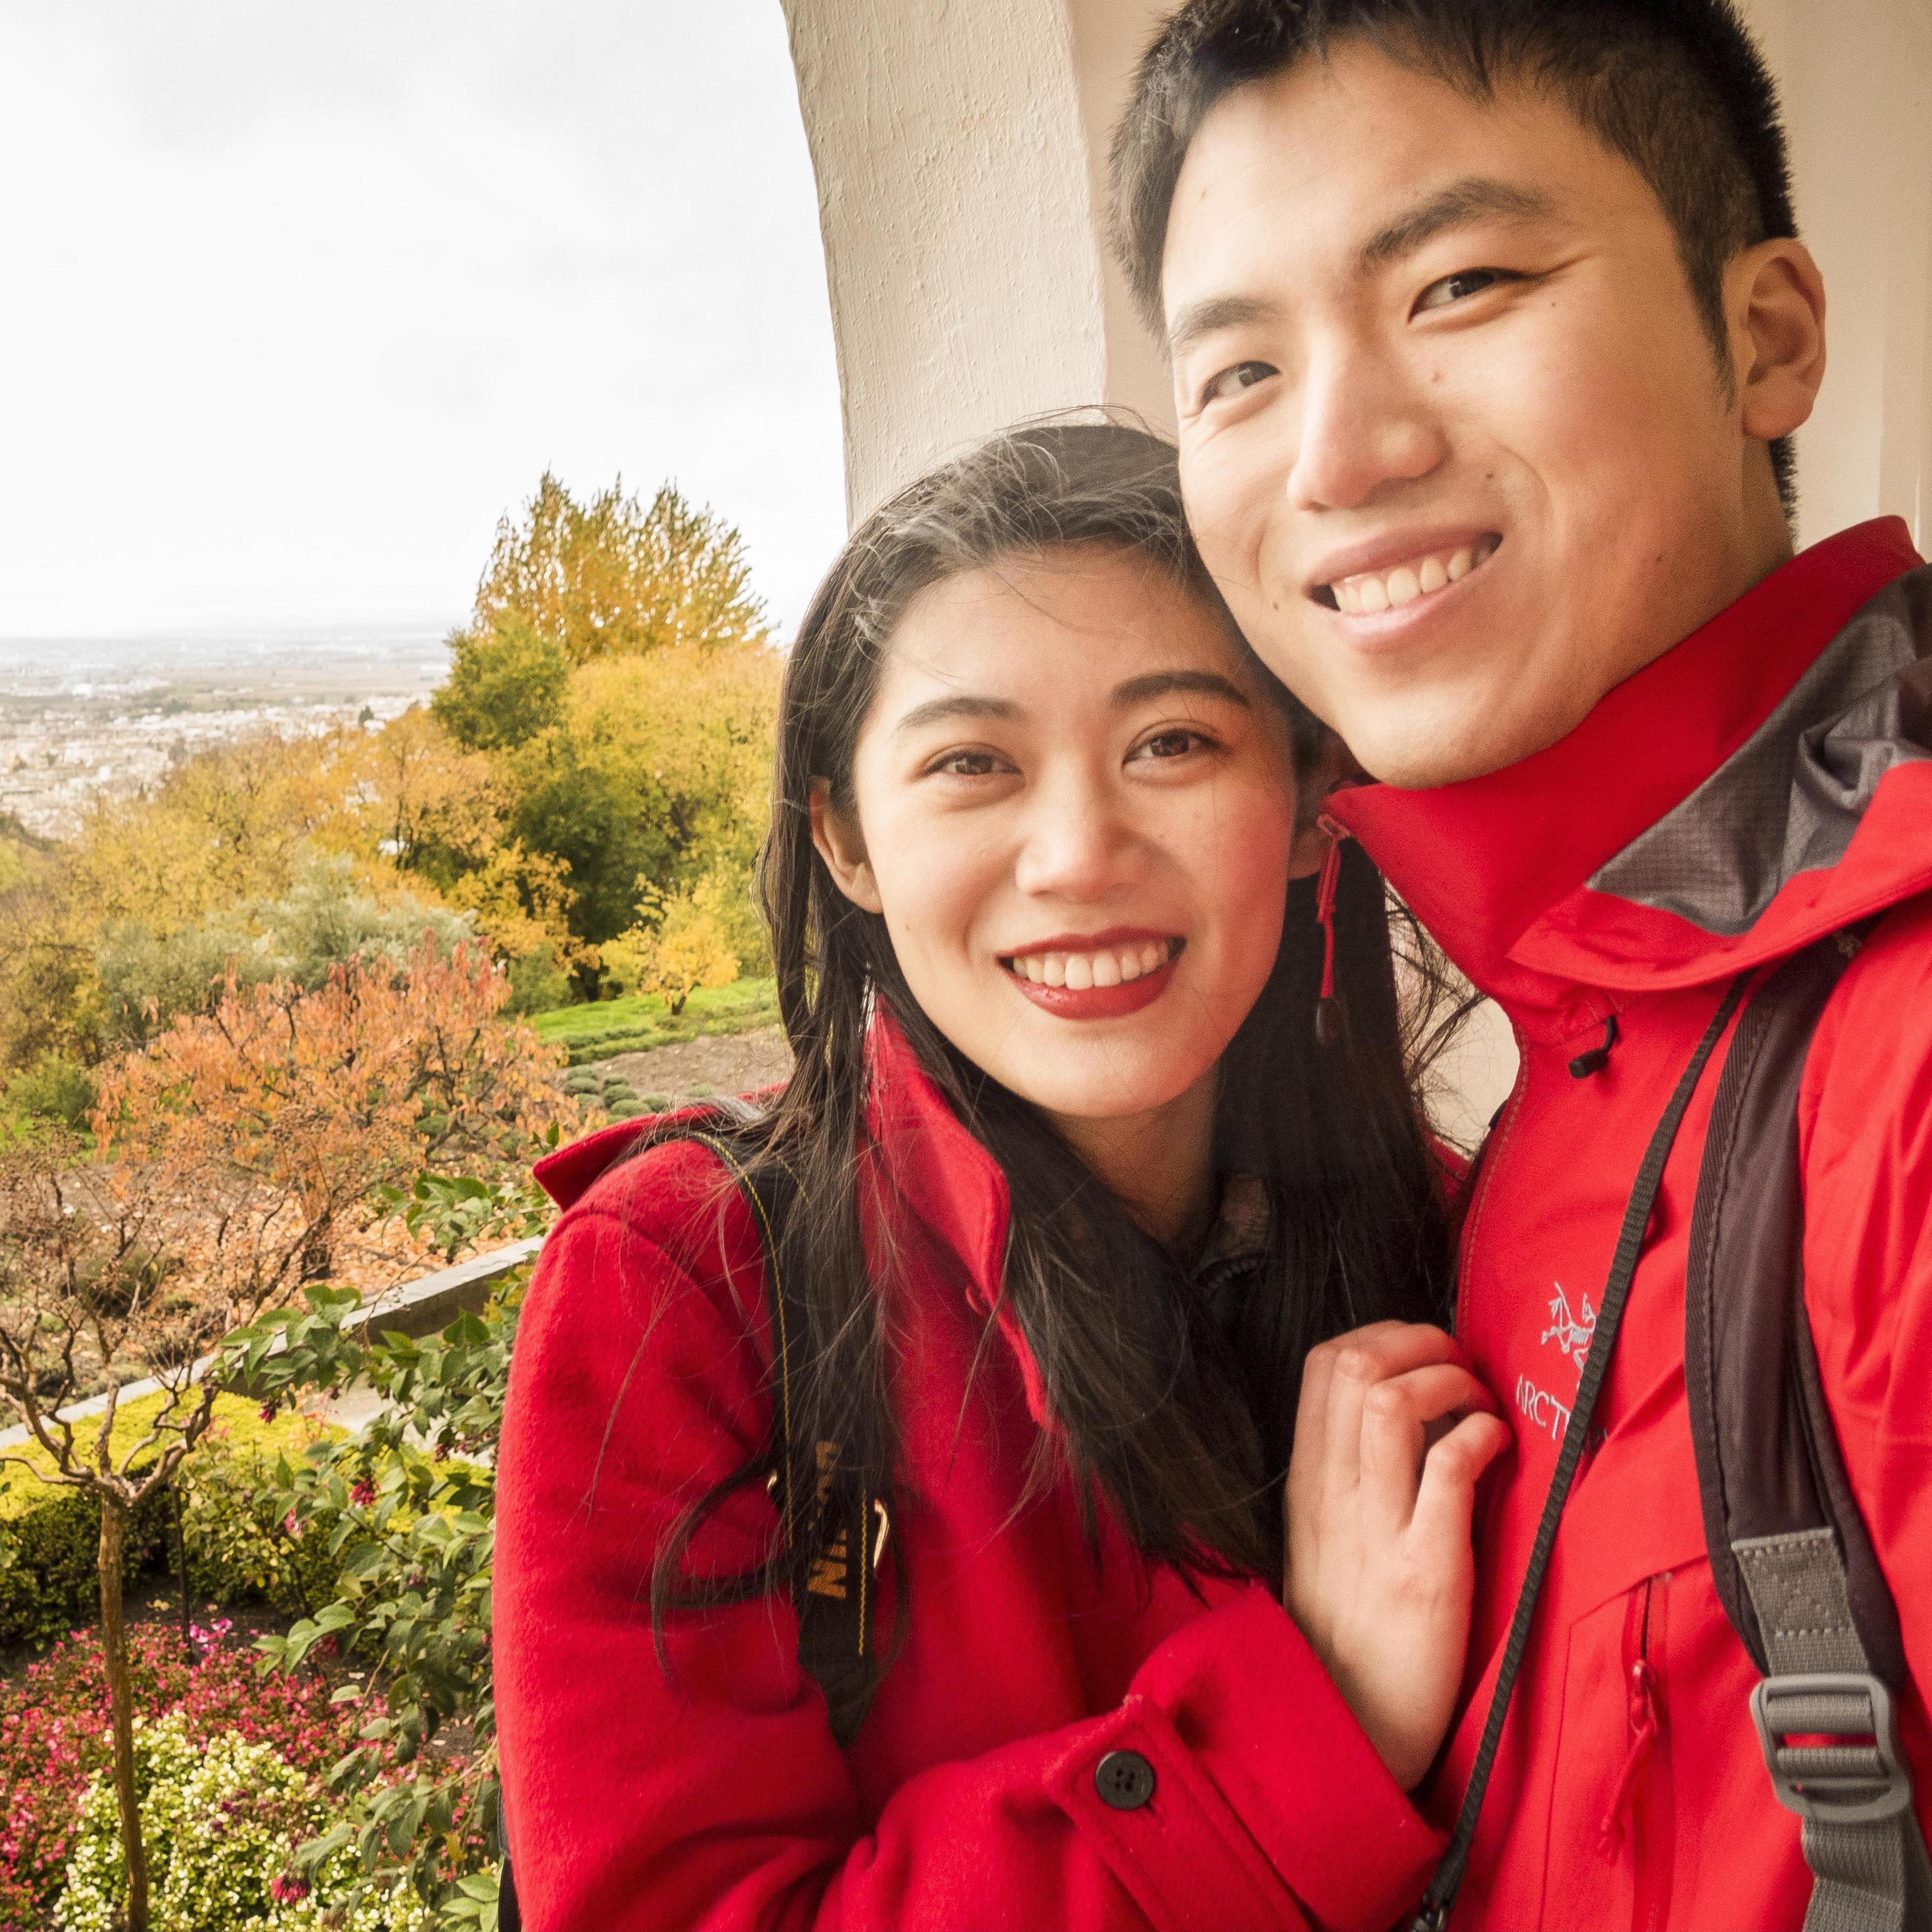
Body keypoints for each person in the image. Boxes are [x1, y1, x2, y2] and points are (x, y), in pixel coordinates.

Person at [1113, 2, 1932, 1926]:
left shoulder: (1891, 1057)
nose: (1340, 449)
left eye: (1462, 281)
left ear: (1764, 335)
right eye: (1234, 370)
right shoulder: (1581, 1028)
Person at [494, 422, 1511, 1929]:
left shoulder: (1460, 1237)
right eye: (971, 763)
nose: (1076, 852)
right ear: (845, 835)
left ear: (1307, 805)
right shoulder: (689, 1288)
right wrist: (1309, 1733)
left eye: (1171, 742)